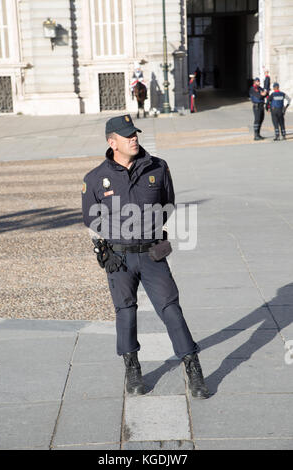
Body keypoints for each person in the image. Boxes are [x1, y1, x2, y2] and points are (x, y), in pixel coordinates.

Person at [81, 114, 209, 399]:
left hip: (152, 255)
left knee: (171, 308)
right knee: (125, 312)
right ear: (112, 142)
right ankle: (132, 367)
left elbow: (168, 203)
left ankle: (193, 366)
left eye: (134, 133)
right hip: (119, 260)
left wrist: (150, 230)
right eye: (127, 136)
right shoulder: (95, 179)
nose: (134, 138)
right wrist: (105, 246)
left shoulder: (158, 168)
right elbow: (91, 218)